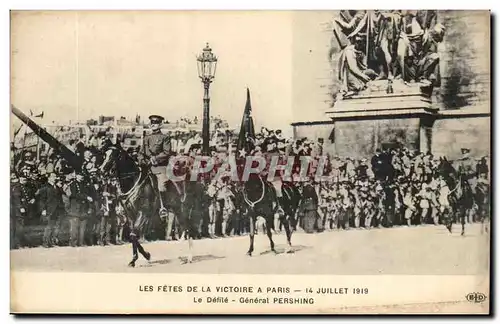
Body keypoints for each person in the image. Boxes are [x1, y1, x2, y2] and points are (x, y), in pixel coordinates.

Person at [139, 115, 172, 216]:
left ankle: (163, 207)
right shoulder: (146, 138)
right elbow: (141, 153)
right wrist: (142, 160)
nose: (153, 124)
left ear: (160, 125)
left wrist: (155, 158)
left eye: (156, 123)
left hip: (159, 168)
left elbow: (167, 152)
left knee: (161, 187)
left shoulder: (165, 138)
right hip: (146, 168)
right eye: (152, 122)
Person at [37, 172, 64, 247]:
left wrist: (60, 187)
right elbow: (42, 200)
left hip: (58, 209)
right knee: (49, 226)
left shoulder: (57, 187)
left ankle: (53, 241)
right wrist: (43, 209)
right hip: (50, 209)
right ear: (49, 178)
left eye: (55, 176)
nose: (55, 178)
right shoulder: (45, 187)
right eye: (53, 176)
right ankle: (45, 242)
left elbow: (61, 196)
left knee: (57, 226)